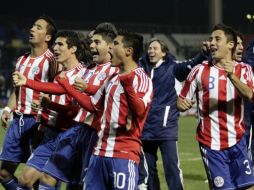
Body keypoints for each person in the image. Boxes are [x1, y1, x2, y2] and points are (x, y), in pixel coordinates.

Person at [56, 30, 153, 190]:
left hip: (123, 154)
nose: (110, 49)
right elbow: (92, 105)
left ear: (128, 51)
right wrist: (66, 86)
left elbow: (140, 111)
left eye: (115, 44)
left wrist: (127, 85)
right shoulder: (111, 78)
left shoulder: (141, 79)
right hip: (99, 152)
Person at [36, 22, 119, 190]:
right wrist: (29, 83)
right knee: (48, 177)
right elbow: (60, 88)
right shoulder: (88, 69)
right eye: (91, 41)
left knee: (83, 184)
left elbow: (97, 100)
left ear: (110, 46)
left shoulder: (114, 71)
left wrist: (80, 87)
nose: (91, 45)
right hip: (77, 130)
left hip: (96, 134)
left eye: (96, 42)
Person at [177, 24, 254, 190]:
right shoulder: (199, 70)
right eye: (211, 39)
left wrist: (232, 76)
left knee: (249, 187)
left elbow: (249, 94)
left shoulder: (244, 69)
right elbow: (181, 99)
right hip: (211, 146)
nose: (211, 42)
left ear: (230, 45)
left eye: (217, 39)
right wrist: (181, 104)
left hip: (238, 141)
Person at [12, 30, 88, 189]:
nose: (55, 48)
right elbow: (54, 91)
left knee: (49, 180)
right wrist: (42, 113)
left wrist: (49, 105)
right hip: (50, 134)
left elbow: (75, 111)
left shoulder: (83, 74)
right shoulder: (59, 73)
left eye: (60, 44)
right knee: (25, 180)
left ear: (73, 49)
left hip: (69, 136)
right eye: (55, 44)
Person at [138, 38, 209, 190]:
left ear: (163, 53)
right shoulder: (141, 68)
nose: (151, 51)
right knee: (149, 171)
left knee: (171, 169)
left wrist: (203, 54)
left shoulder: (173, 68)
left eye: (155, 48)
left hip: (166, 129)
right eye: (149, 48)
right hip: (145, 129)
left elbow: (192, 63)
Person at [0, 15, 58, 190]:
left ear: (48, 37)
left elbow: (60, 91)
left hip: (38, 123)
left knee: (36, 178)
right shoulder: (21, 60)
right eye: (33, 26)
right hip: (18, 121)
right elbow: (17, 91)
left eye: (38, 27)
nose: (32, 29)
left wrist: (47, 111)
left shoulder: (52, 60)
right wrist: (8, 109)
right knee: (3, 172)